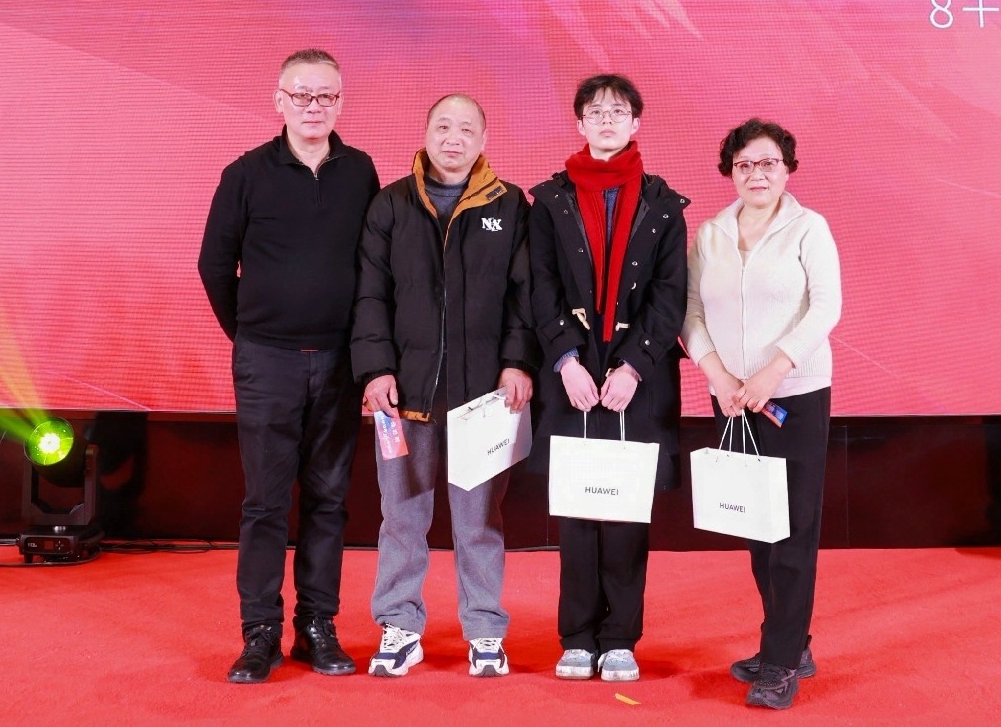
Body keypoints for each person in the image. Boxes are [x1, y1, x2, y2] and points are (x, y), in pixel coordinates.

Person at [198, 49, 381, 684]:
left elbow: (373, 267)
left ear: (341, 103)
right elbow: (214, 266)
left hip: (339, 364)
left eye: (325, 96)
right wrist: (252, 335)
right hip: (267, 362)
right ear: (279, 100)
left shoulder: (361, 172)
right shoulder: (245, 173)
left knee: (329, 501)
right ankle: (260, 634)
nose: (313, 107)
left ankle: (317, 627)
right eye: (301, 95)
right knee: (265, 504)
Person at [350, 94, 539, 678]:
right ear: (426, 132)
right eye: (443, 126)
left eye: (465, 129)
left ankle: (484, 630)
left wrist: (517, 362)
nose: (453, 138)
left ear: (484, 139)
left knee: (479, 521)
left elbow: (525, 296)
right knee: (401, 517)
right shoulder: (391, 203)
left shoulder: (511, 205)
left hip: (484, 397)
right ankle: (400, 626)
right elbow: (370, 294)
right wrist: (375, 369)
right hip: (403, 396)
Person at [527, 73, 689, 683]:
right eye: (595, 112)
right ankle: (576, 638)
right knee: (576, 514)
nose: (606, 120)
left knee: (625, 515)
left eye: (618, 112)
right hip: (572, 378)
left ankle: (620, 638)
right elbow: (539, 287)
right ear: (579, 123)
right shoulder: (550, 200)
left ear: (636, 123)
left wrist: (635, 367)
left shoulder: (664, 203)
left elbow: (671, 296)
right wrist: (566, 361)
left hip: (635, 383)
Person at [682, 119, 841, 711]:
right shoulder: (711, 234)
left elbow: (826, 306)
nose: (757, 174)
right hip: (731, 399)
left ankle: (779, 663)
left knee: (793, 531)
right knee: (757, 527)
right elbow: (689, 312)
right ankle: (791, 642)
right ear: (730, 171)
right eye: (745, 164)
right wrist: (719, 376)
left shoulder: (809, 227)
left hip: (793, 395)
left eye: (768, 162)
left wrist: (775, 369)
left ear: (787, 168)